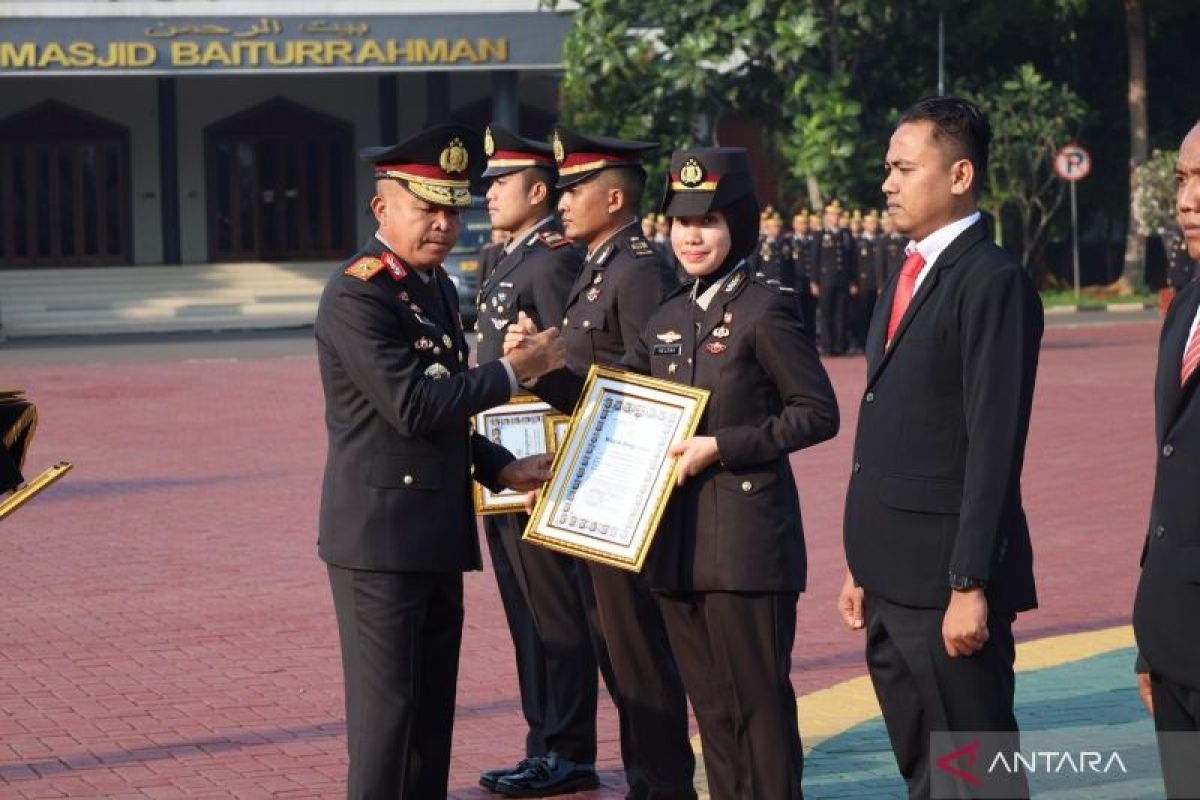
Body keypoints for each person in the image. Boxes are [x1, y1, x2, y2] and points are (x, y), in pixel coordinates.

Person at [512, 146, 839, 799]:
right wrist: (540, 370)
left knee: (759, 710)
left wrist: (723, 446)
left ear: (738, 227)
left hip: (747, 547)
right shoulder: (667, 316)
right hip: (674, 548)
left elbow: (816, 413)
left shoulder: (766, 308)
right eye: (682, 222)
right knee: (714, 714)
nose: (693, 236)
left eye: (711, 221)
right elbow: (610, 403)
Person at [313, 124, 566, 799]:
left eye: (454, 208)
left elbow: (445, 419)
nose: (445, 224)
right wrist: (514, 371)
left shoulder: (433, 288)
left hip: (433, 530)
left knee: (430, 718)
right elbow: (413, 407)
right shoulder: (358, 292)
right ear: (382, 209)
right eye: (428, 207)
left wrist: (499, 466)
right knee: (386, 720)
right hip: (380, 538)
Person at [837, 97, 1043, 800]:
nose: (887, 183)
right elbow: (890, 423)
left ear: (959, 175)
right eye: (887, 168)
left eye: (903, 168)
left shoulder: (992, 281)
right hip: (890, 581)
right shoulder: (909, 271)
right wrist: (862, 562)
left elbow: (993, 445)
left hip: (948, 586)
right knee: (924, 772)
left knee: (980, 778)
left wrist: (971, 584)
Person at [494, 126, 696, 799]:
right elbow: (590, 387)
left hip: (626, 489)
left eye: (576, 188)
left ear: (614, 198)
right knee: (616, 649)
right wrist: (541, 368)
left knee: (637, 653)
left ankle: (662, 783)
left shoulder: (637, 269)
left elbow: (653, 389)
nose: (565, 199)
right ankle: (648, 779)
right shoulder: (600, 265)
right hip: (597, 483)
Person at [474, 124, 598, 795]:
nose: (488, 193)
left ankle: (569, 749)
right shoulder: (503, 258)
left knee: (555, 616)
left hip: (539, 469)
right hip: (503, 465)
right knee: (527, 617)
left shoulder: (550, 260)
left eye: (500, 182)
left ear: (539, 190)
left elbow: (565, 369)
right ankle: (541, 741)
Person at [1134, 120, 1200, 800]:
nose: (1187, 200)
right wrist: (1151, 640)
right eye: (1182, 180)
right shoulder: (1186, 304)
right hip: (1177, 634)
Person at [809, 200, 855, 356]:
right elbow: (815, 259)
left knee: (841, 314)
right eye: (832, 214)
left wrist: (852, 280)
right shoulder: (820, 234)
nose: (835, 217)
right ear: (827, 216)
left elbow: (851, 259)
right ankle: (828, 347)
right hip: (825, 280)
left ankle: (840, 346)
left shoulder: (845, 234)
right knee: (826, 314)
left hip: (842, 279)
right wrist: (814, 281)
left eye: (837, 214)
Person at [848, 209, 883, 353]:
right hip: (863, 283)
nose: (872, 225)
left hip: (878, 284)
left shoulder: (880, 241)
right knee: (862, 314)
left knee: (878, 314)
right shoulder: (858, 242)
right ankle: (862, 342)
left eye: (874, 222)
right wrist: (853, 282)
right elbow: (852, 264)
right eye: (869, 222)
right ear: (864, 224)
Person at [749, 209, 792, 287]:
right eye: (775, 227)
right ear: (768, 228)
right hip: (767, 284)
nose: (778, 229)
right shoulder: (760, 244)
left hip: (783, 283)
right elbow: (753, 265)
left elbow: (789, 265)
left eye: (779, 226)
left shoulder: (785, 243)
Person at [878, 210, 907, 284]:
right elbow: (880, 264)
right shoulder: (884, 241)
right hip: (890, 279)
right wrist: (881, 284)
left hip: (905, 278)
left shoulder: (906, 239)